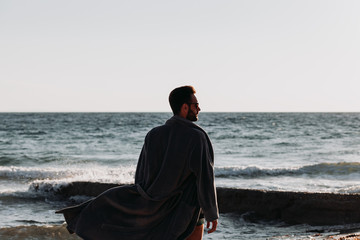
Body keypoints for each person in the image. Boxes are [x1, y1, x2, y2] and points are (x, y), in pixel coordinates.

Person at [56, 85, 218, 240]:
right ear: (184, 107)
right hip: (187, 208)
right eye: (195, 105)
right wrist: (212, 213)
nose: (199, 108)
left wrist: (143, 207)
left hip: (157, 210)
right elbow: (205, 177)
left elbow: (142, 177)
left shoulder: (153, 135)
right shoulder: (197, 137)